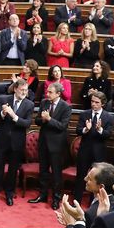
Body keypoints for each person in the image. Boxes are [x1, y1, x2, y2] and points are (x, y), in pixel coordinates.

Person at [0, 80, 35, 206]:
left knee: (13, 169)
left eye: (26, 90)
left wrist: (14, 116)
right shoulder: (4, 99)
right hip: (2, 139)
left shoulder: (29, 104)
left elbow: (27, 123)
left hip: (17, 142)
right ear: (15, 89)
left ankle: (9, 194)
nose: (24, 93)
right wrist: (3, 113)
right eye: (22, 90)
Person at [32, 81, 72, 210]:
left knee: (56, 174)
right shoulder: (44, 103)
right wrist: (43, 119)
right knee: (43, 171)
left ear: (58, 93)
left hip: (57, 145)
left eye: (50, 92)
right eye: (47, 91)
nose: (47, 94)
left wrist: (49, 119)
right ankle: (42, 195)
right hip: (43, 143)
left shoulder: (66, 107)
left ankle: (56, 198)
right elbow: (37, 121)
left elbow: (62, 126)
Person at [74, 93, 114, 203]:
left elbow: (108, 134)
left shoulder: (108, 117)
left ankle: (94, 203)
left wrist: (100, 130)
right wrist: (85, 130)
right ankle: (76, 201)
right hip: (84, 151)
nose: (93, 104)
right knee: (81, 177)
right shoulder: (84, 114)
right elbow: (77, 130)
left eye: (96, 102)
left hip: (99, 153)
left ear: (103, 103)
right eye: (92, 101)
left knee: (97, 179)